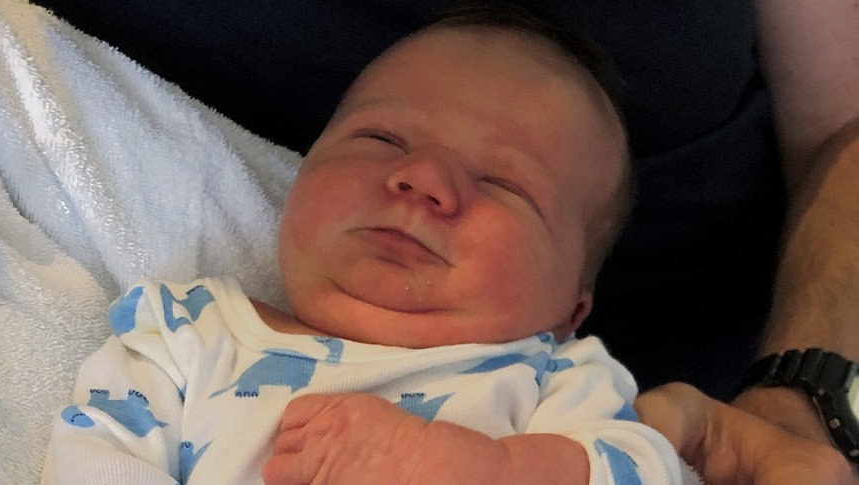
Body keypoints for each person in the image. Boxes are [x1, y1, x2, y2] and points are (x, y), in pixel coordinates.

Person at [41, 7, 694, 485]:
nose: (424, 179)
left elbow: (649, 469)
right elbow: (91, 456)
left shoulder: (560, 382)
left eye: (503, 184)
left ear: (568, 313)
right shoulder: (188, 336)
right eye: (382, 139)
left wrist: (481, 468)